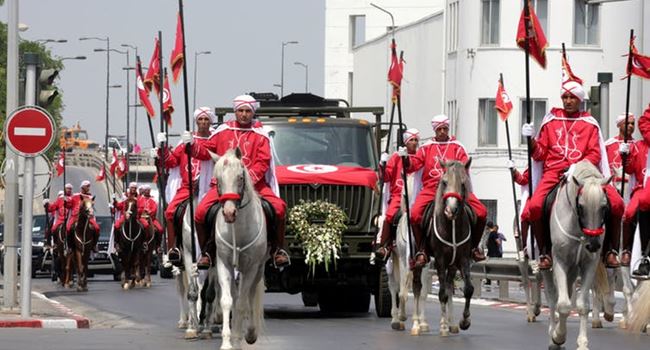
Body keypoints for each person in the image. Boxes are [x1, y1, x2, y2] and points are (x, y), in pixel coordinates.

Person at [520, 80, 624, 270]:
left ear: (580, 100)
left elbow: (595, 153)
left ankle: (611, 250)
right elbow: (540, 153)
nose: (568, 101)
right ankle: (544, 252)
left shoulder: (590, 123)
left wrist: (577, 167)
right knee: (534, 207)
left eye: (572, 98)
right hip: (554, 172)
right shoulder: (550, 121)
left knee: (617, 204)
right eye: (565, 97)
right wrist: (531, 141)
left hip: (584, 173)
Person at [187, 94, 288, 270]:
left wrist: (248, 181)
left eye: (247, 111)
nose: (243, 114)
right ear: (235, 111)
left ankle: (277, 250)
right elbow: (205, 153)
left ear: (253, 112)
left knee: (279, 208)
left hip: (255, 185)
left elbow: (263, 162)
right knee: (200, 213)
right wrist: (192, 146)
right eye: (240, 110)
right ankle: (207, 251)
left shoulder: (260, 135)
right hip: (223, 186)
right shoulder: (222, 131)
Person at [404, 114, 487, 268]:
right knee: (415, 215)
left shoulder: (457, 146)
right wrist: (406, 159)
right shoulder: (425, 148)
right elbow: (413, 165)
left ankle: (474, 248)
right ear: (435, 130)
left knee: (481, 212)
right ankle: (422, 250)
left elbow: (463, 167)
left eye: (445, 128)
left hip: (455, 188)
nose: (442, 131)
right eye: (439, 129)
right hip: (431, 188)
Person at [156, 107, 214, 264]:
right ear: (196, 121)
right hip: (188, 188)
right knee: (170, 212)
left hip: (210, 187)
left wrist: (193, 145)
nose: (203, 123)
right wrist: (162, 148)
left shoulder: (214, 140)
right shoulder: (184, 143)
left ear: (211, 121)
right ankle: (173, 248)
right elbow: (171, 162)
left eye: (206, 119)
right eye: (200, 119)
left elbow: (208, 155)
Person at [375, 128, 420, 261]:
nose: (414, 143)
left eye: (416, 140)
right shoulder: (396, 157)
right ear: (406, 142)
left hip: (417, 194)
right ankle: (385, 246)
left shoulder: (419, 156)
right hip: (398, 194)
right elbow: (387, 177)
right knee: (390, 215)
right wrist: (383, 164)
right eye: (411, 140)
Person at [605, 113, 637, 267]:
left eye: (633, 123)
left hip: (630, 188)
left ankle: (629, 250)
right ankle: (609, 249)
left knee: (630, 219)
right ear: (619, 125)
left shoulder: (638, 145)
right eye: (627, 123)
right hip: (613, 189)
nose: (631, 126)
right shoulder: (608, 144)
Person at [623, 104, 650, 276]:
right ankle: (633, 252)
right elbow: (630, 169)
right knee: (630, 212)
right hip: (642, 186)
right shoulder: (639, 145)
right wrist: (624, 156)